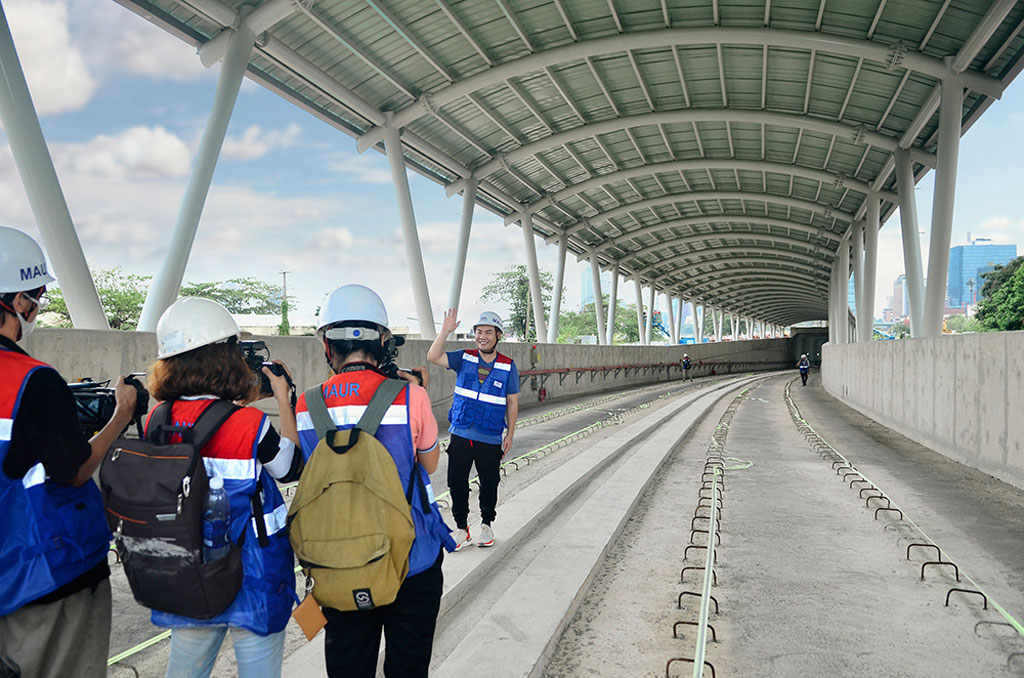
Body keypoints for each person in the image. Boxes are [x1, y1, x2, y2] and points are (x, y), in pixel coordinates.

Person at [295, 284, 454, 678]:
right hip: (410, 562)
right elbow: (429, 464)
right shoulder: (409, 396)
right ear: (383, 342)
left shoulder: (306, 404)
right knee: (408, 668)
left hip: (337, 563)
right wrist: (416, 395)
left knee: (349, 665)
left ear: (326, 347)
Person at [0, 226, 137, 678]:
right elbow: (73, 471)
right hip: (40, 580)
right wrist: (120, 416)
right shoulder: (32, 379)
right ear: (17, 301)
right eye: (36, 295)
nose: (37, 306)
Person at [147, 297, 301, 678]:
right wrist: (283, 398)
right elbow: (290, 467)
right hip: (253, 576)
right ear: (224, 358)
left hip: (187, 569)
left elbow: (200, 416)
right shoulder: (249, 424)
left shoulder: (157, 418)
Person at [427, 308, 519, 550]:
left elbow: (512, 401)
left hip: (490, 436)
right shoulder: (463, 358)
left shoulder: (509, 366)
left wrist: (510, 433)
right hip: (461, 433)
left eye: (488, 332)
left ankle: (486, 524)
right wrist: (446, 330)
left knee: (489, 482)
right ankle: (461, 528)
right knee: (456, 481)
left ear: (498, 335)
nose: (483, 336)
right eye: (479, 332)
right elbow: (433, 356)